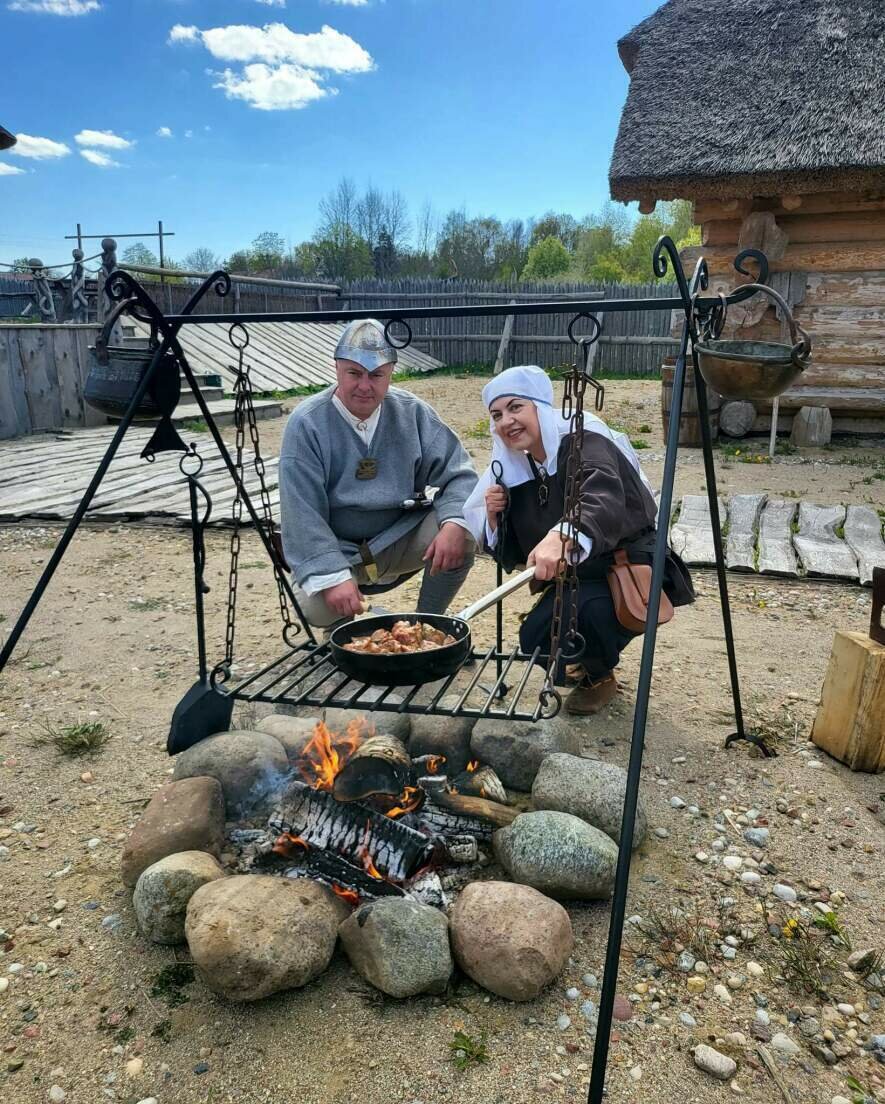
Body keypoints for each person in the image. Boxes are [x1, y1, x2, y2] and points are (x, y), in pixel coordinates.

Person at [463, 365, 694, 715]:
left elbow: (601, 493)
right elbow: (519, 553)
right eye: (497, 414)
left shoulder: (584, 438)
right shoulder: (523, 467)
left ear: (539, 406)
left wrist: (564, 534)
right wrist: (497, 517)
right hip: (582, 573)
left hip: (627, 561)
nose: (506, 421)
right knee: (534, 638)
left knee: (585, 614)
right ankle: (586, 659)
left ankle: (600, 677)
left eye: (515, 408)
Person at [279, 319, 477, 629]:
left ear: (390, 374)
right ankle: (342, 629)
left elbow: (461, 475)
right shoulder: (308, 423)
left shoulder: (412, 413)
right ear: (337, 369)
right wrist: (332, 575)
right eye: (354, 374)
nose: (365, 386)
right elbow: (302, 512)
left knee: (462, 533)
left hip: (398, 538)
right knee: (315, 608)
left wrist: (453, 524)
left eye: (376, 375)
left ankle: (426, 624)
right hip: (338, 547)